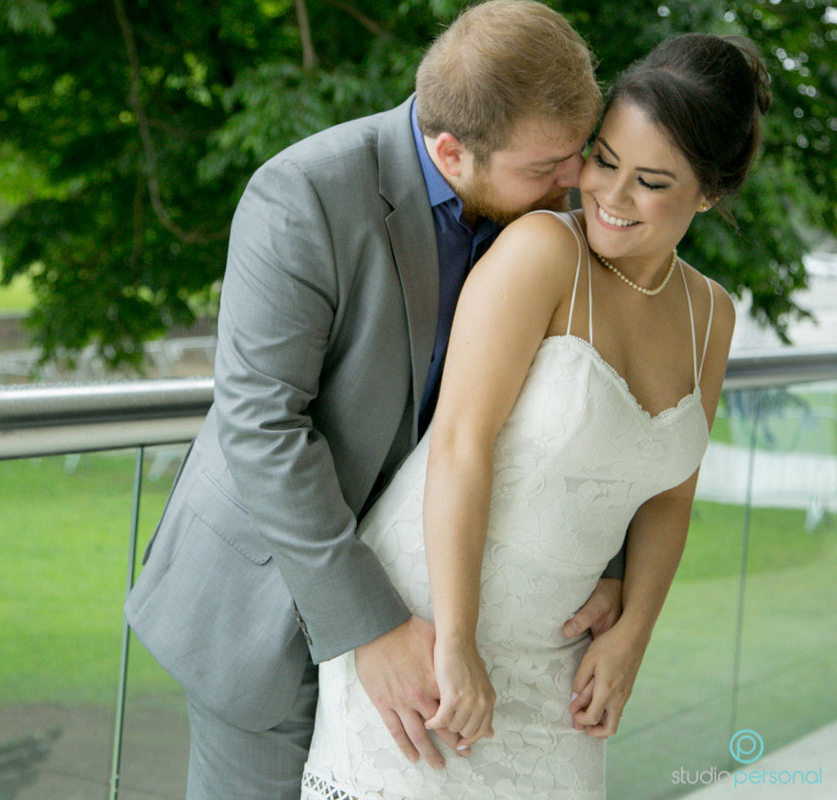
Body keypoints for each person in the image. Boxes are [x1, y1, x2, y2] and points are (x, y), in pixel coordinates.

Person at [124, 2, 626, 797]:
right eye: (546, 166)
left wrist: (610, 568)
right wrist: (372, 625)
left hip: (453, 629)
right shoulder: (302, 194)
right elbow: (262, 426)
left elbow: (585, 401)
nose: (576, 182)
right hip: (272, 609)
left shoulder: (548, 220)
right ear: (451, 150)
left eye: (579, 152)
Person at [301, 32, 769, 798]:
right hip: (429, 622)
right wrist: (456, 641)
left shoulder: (709, 316)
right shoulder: (542, 251)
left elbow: (669, 498)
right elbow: (459, 443)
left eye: (651, 181)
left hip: (561, 663)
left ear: (709, 194)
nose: (611, 195)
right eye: (604, 160)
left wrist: (632, 636)